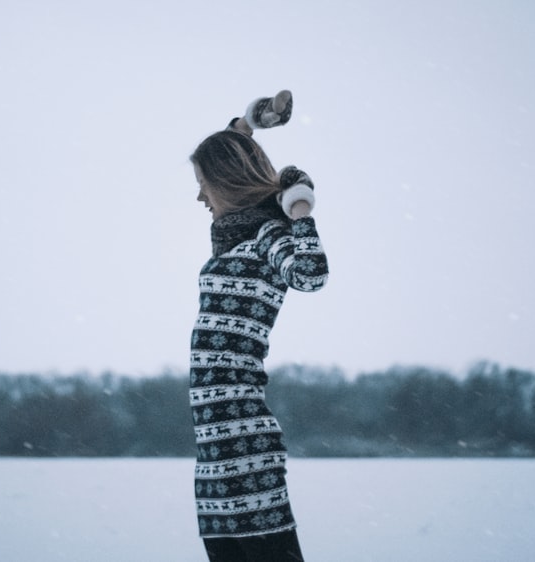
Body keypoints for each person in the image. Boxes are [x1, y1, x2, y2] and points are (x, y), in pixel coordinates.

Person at [188, 91, 329, 562]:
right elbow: (230, 146)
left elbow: (311, 274)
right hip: (212, 444)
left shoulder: (267, 234)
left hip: (245, 441)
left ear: (226, 182)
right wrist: (252, 120)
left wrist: (299, 207)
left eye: (203, 183)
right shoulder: (233, 237)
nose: (199, 195)